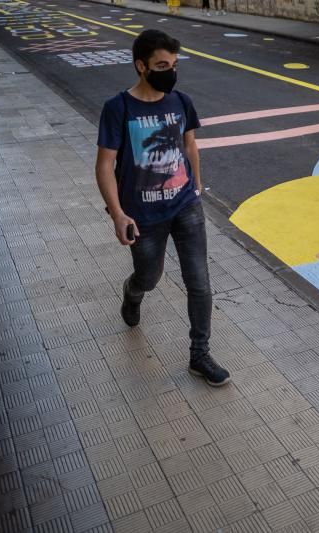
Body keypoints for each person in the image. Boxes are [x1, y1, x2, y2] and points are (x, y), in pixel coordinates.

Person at [95, 29, 230, 387]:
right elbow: (105, 165)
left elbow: (190, 146)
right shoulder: (118, 108)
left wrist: (196, 186)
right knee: (149, 277)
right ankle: (133, 291)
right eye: (161, 65)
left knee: (199, 282)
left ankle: (199, 354)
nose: (169, 72)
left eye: (173, 65)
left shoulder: (180, 101)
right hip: (143, 217)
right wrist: (118, 213)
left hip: (185, 205)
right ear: (141, 66)